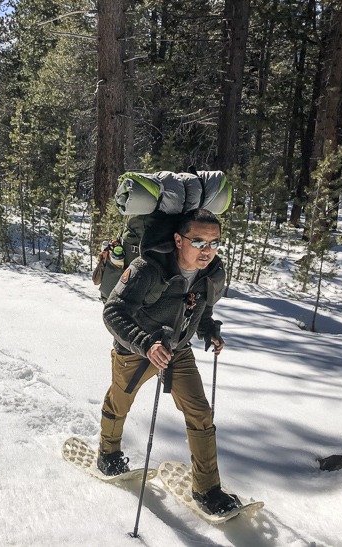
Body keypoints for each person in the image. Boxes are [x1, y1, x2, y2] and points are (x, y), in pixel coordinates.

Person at [98, 207, 240, 515]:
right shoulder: (146, 268)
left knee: (200, 413)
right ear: (178, 239)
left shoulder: (211, 274)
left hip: (178, 349)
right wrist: (146, 344)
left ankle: (207, 489)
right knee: (120, 402)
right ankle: (108, 453)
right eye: (199, 241)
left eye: (214, 242)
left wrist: (209, 330)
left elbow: (199, 308)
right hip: (136, 349)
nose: (208, 250)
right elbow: (113, 312)